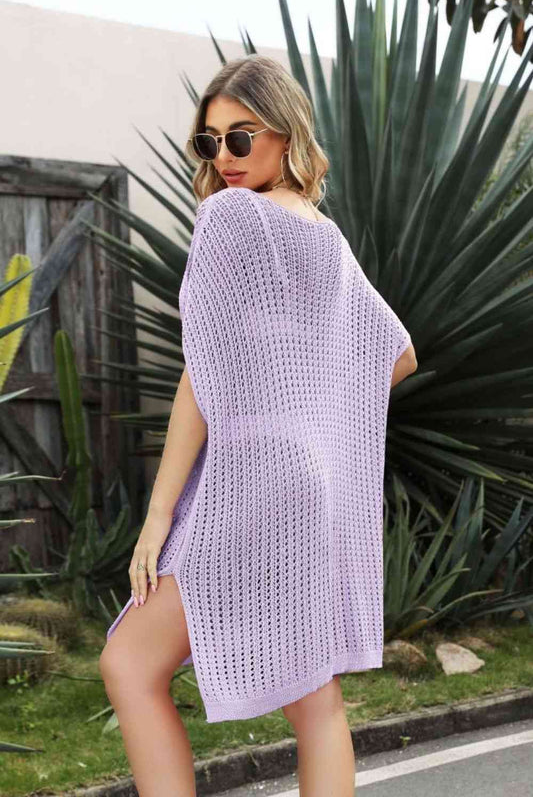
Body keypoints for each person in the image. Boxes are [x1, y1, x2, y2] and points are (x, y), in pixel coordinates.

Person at [99, 54, 418, 797]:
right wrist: (319, 415)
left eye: (241, 137)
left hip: (250, 478)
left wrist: (157, 515)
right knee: (314, 699)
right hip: (310, 484)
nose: (224, 156)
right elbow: (397, 355)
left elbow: (199, 378)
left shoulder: (228, 218)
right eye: (209, 141)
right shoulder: (325, 236)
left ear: (285, 134)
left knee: (129, 663)